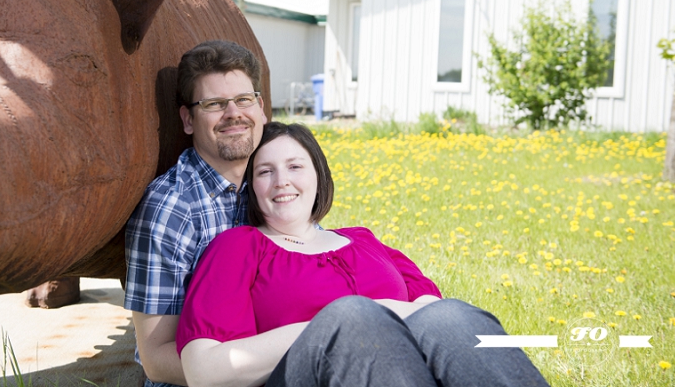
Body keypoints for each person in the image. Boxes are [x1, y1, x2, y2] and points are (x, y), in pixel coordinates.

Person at [176, 122, 551, 387]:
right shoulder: (238, 247)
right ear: (251, 188)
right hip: (302, 377)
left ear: (318, 176)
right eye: (265, 171)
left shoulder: (363, 241)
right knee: (354, 315)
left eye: (295, 166)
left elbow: (432, 313)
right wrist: (330, 329)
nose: (282, 181)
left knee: (452, 314)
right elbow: (203, 371)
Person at [124, 40, 268, 387]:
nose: (233, 113)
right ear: (188, 119)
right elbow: (155, 359)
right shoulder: (171, 210)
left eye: (243, 100)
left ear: (260, 107)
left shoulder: (273, 184)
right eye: (215, 104)